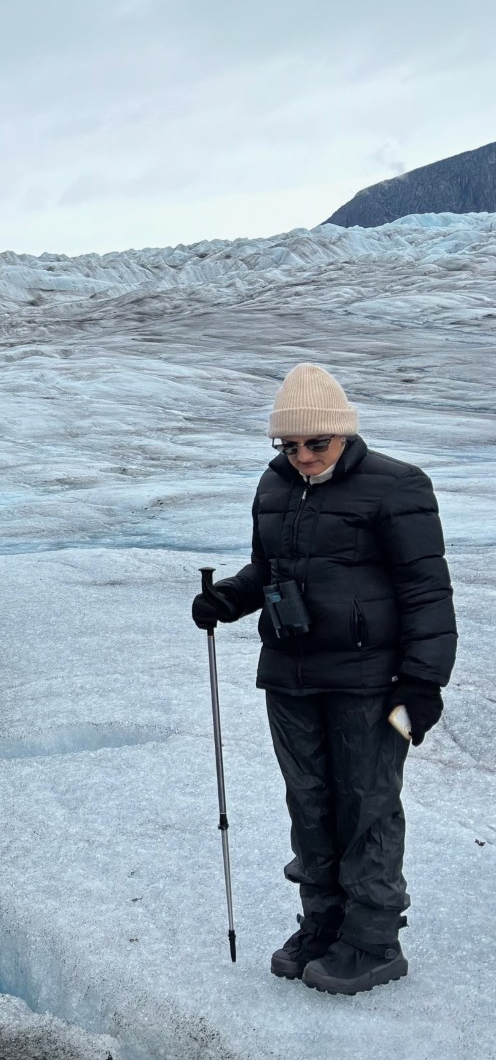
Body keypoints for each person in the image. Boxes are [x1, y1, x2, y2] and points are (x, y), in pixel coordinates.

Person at [192, 363, 455, 995]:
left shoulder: (398, 486)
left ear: (343, 434)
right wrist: (228, 599)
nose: (303, 457)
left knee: (366, 803)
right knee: (309, 803)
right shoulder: (275, 486)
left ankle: (372, 939)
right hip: (290, 676)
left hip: (370, 682)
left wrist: (423, 681)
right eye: (289, 445)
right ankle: (323, 922)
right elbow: (268, 569)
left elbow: (427, 592)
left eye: (317, 443)